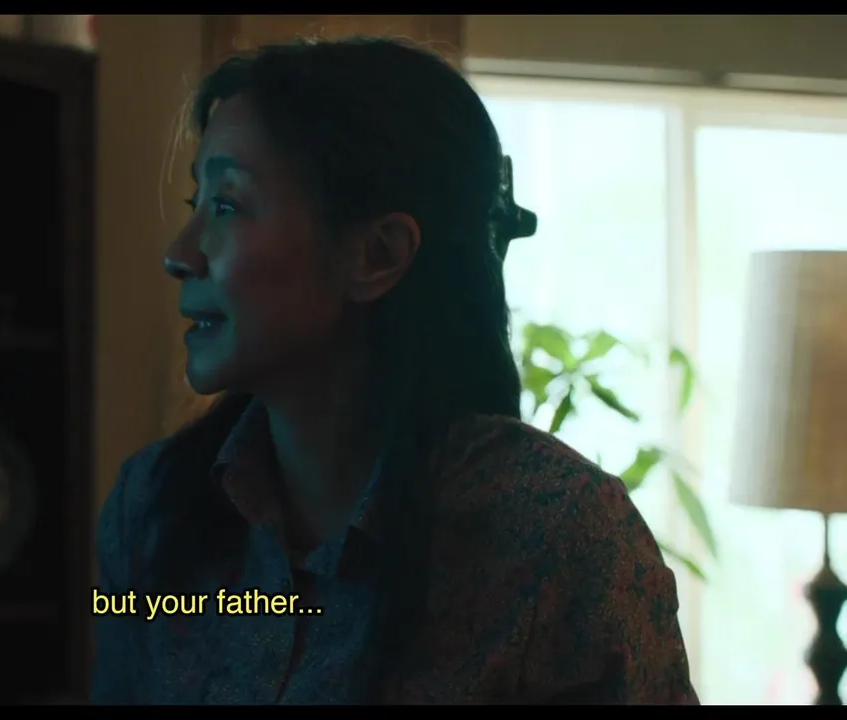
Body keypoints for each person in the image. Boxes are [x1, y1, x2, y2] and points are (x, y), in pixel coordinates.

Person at [91, 37, 698, 705]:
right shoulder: (152, 508)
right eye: (196, 206)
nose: (180, 254)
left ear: (378, 255)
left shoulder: (558, 537)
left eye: (228, 205)